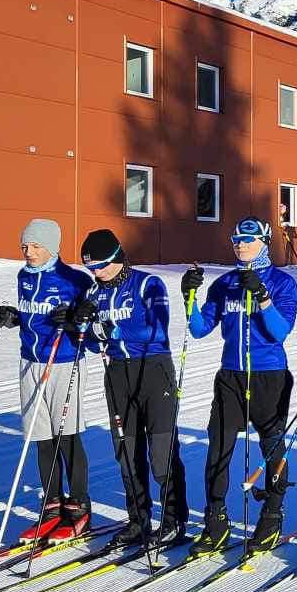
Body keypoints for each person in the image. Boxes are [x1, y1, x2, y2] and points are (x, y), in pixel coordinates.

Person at [176, 217, 297, 553]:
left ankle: (272, 514)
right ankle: (215, 519)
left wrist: (261, 295)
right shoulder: (225, 283)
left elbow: (279, 332)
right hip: (230, 375)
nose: (241, 245)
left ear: (264, 240)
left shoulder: (282, 282)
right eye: (236, 240)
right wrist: (188, 295)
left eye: (248, 239)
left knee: (272, 446)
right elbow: (200, 329)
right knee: (218, 447)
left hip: (268, 375)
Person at [79, 228, 189, 550]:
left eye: (101, 266)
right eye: (91, 268)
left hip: (153, 369)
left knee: (160, 452)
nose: (97, 273)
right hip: (117, 374)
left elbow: (156, 326)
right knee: (127, 453)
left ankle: (174, 520)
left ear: (117, 258)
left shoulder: (147, 283)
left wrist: (111, 328)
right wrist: (81, 326)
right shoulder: (93, 294)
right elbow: (89, 344)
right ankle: (138, 520)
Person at [0, 216, 94, 541]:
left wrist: (75, 320)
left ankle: (78, 507)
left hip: (64, 362)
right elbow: (33, 314)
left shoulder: (74, 279)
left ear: (51, 247)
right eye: (25, 245)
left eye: (35, 246)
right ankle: (51, 505)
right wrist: (16, 317)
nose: (28, 251)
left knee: (67, 436)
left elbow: (91, 322)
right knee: (41, 437)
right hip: (30, 362)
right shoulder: (24, 276)